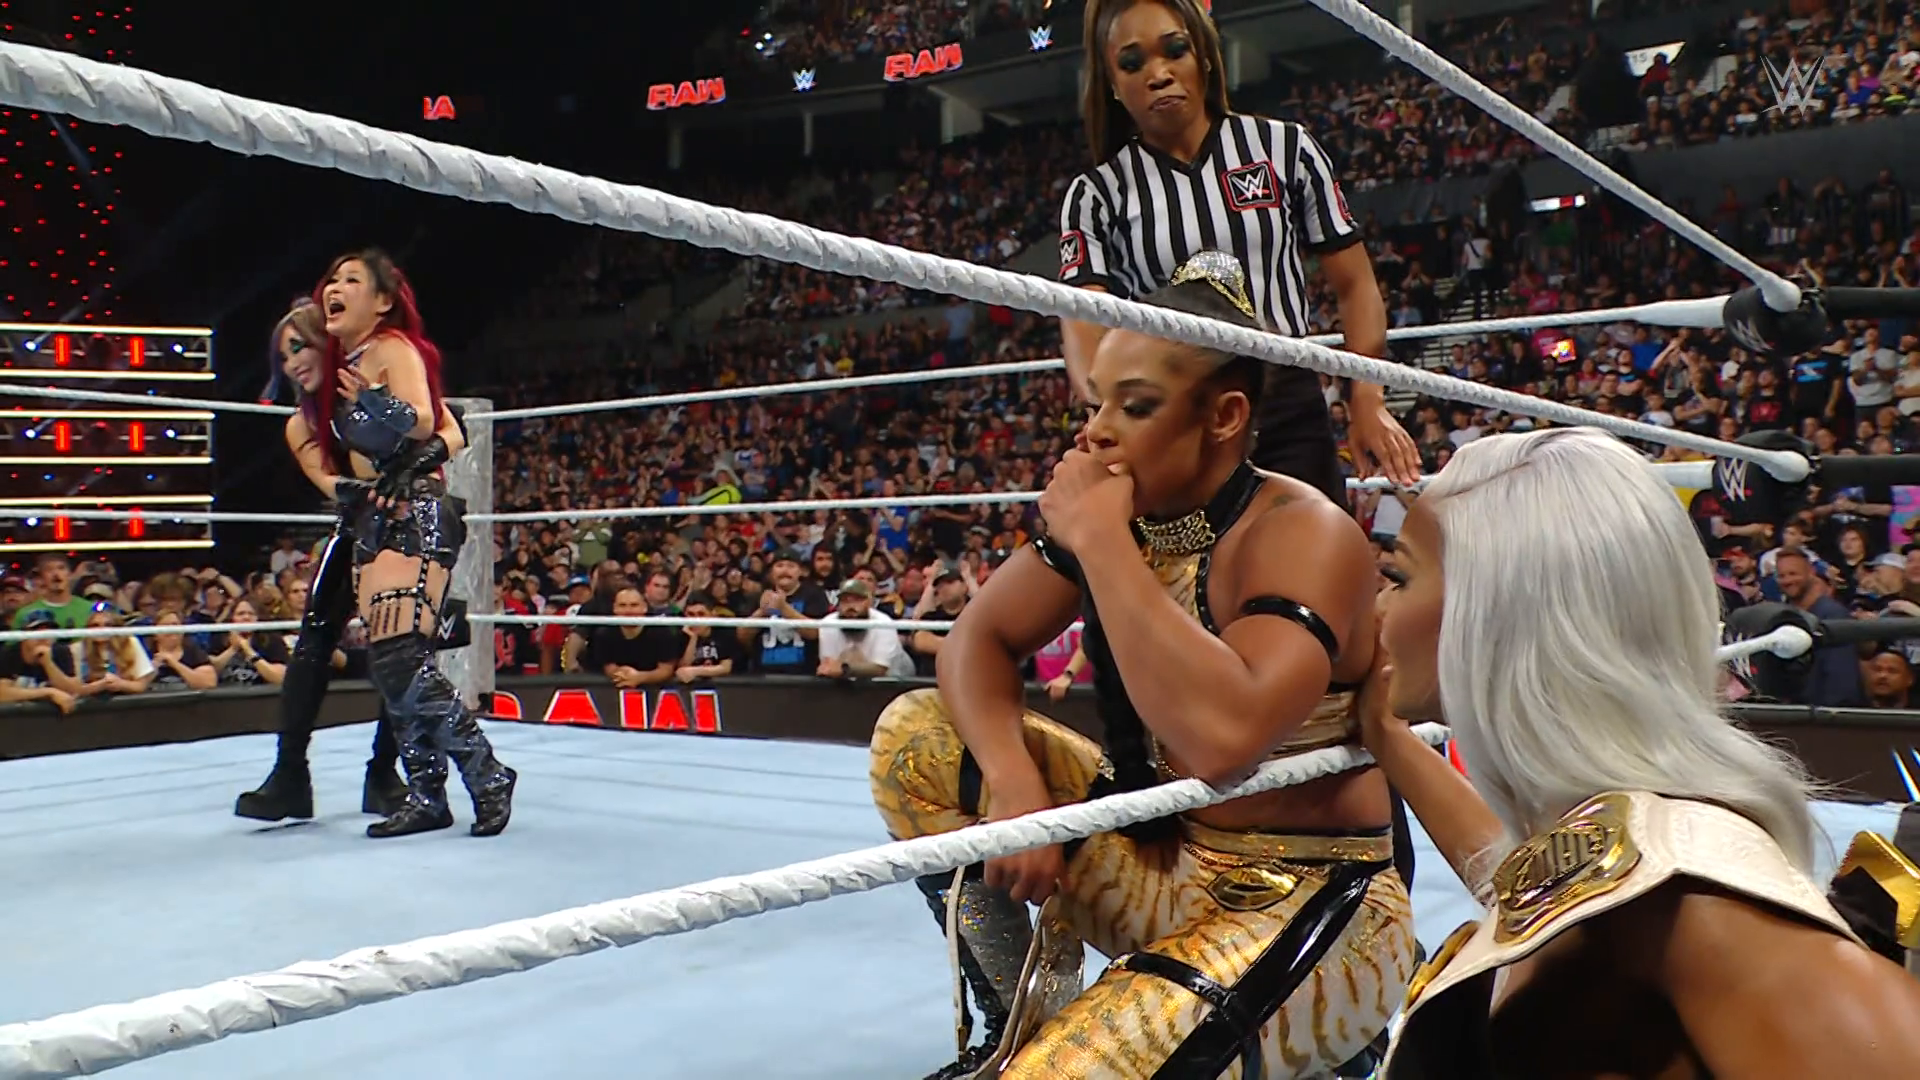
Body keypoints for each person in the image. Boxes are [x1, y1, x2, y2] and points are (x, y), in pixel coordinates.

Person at [871, 253, 1413, 1080]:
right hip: (1162, 861)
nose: (1097, 432)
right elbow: (978, 639)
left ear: (1224, 416)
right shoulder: (1129, 514)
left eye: (1135, 406)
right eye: (1096, 403)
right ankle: (1013, 1018)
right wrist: (1016, 789)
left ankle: (1328, 1046)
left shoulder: (1302, 530)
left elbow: (1224, 744)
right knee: (918, 737)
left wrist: (1099, 542)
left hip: (1312, 902)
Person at [1364, 428, 1920, 1078]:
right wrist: (1384, 733)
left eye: (1397, 577)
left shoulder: (1694, 900)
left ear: (1494, 612)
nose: (1377, 608)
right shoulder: (1620, 854)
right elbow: (1546, 889)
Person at [1063, 0, 1424, 892]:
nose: (1158, 72)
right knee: (1143, 595)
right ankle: (1150, 808)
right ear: (1110, 82)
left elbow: (1354, 283)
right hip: (1170, 419)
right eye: (1132, 61)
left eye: (1173, 50)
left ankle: (1374, 846)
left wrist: (1365, 398)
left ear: (1205, 55)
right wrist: (1116, 415)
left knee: (1327, 612)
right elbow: (1082, 324)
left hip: (1285, 392)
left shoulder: (1283, 150)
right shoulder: (1099, 193)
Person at [302, 249, 516, 838]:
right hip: (373, 517)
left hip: (414, 508)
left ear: (382, 301)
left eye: (351, 280)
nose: (335, 287)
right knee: (392, 665)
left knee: (399, 657)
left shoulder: (392, 348)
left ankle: (487, 773)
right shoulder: (342, 369)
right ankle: (427, 795)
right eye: (332, 279)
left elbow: (427, 421)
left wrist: (374, 401)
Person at [235, 298, 409, 824]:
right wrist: (357, 490)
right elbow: (331, 481)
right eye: (283, 356)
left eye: (299, 347)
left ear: (324, 343)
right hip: (356, 521)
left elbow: (411, 441)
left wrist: (364, 407)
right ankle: (289, 774)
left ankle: (384, 775)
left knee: (398, 649)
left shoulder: (371, 390)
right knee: (312, 639)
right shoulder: (300, 424)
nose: (292, 364)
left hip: (402, 526)